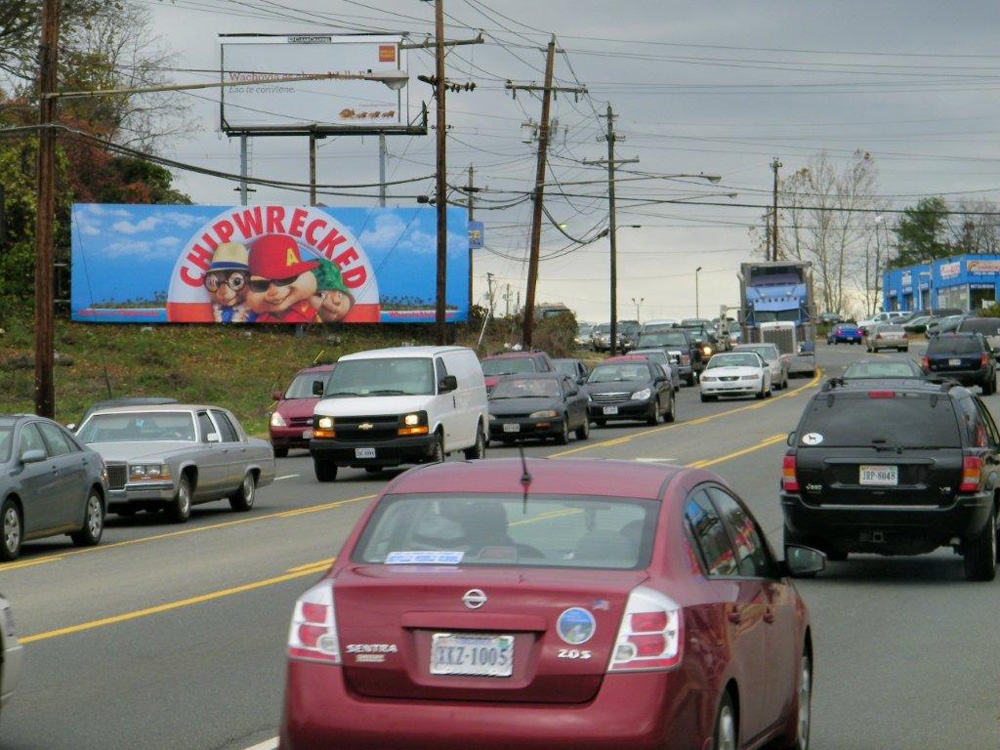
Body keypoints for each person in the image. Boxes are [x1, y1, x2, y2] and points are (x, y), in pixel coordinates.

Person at [204, 242, 255, 323]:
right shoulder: (211, 311)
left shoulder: (255, 312)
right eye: (215, 282)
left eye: (236, 282)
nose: (224, 291)